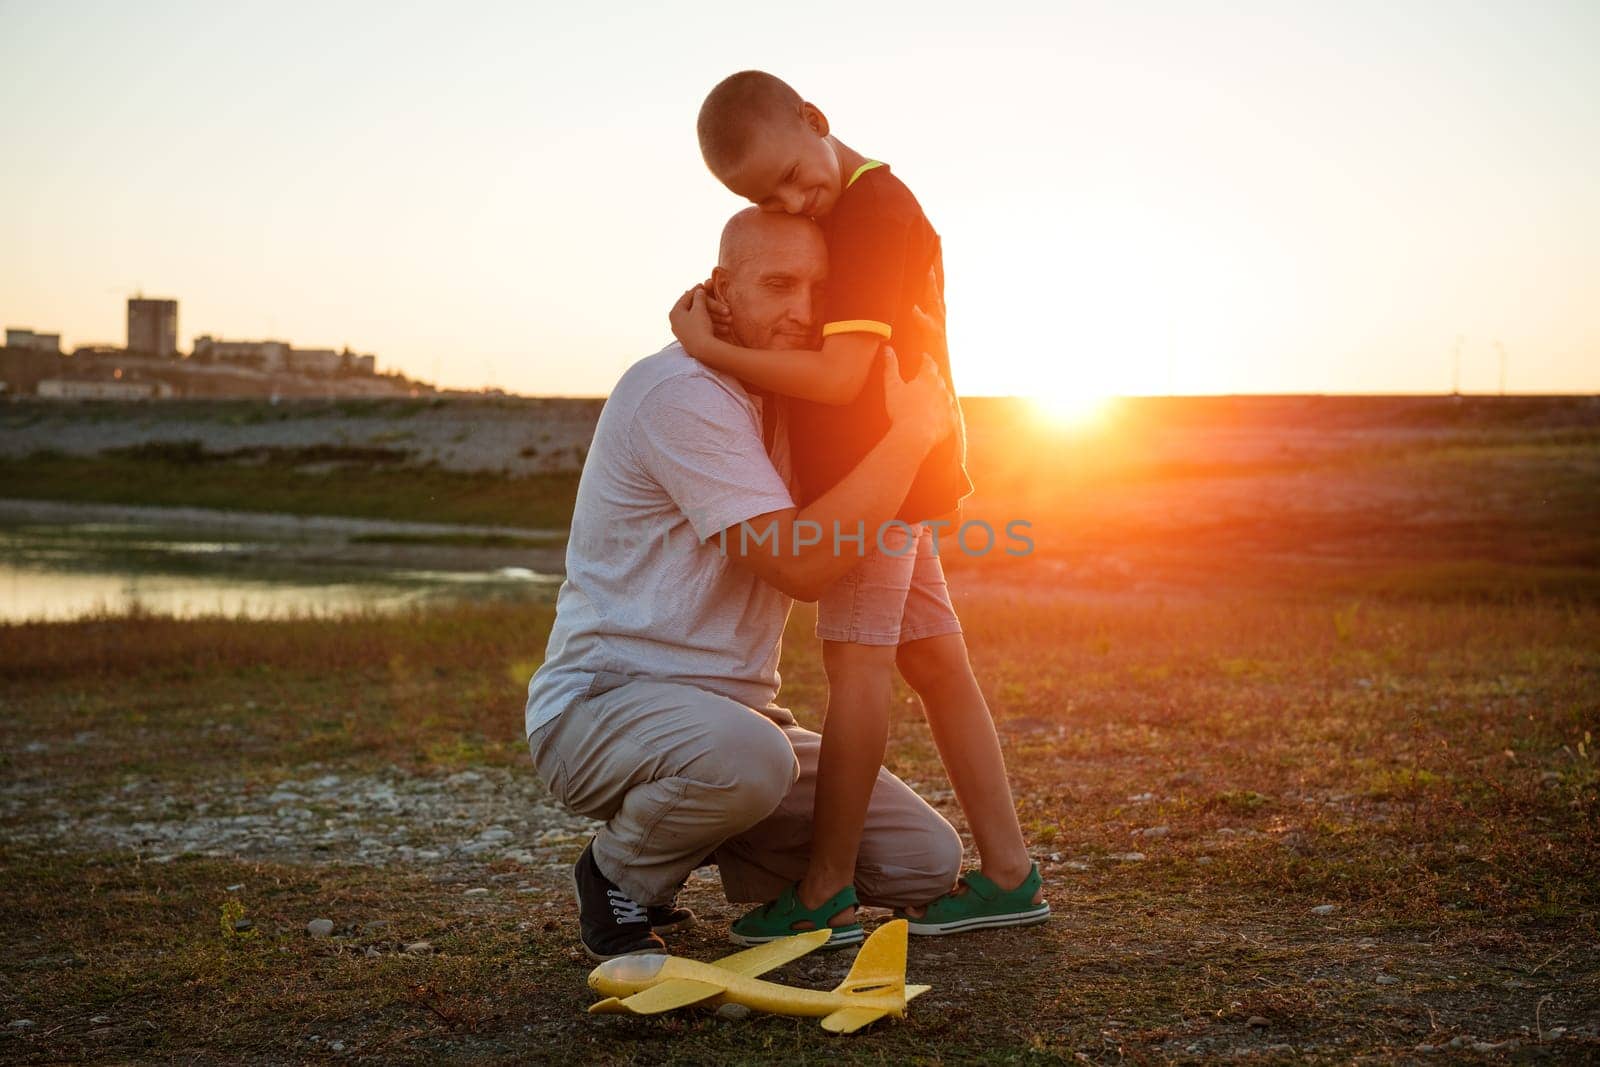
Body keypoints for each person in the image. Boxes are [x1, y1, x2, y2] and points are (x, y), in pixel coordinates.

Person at [524, 208, 964, 959]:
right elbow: (798, 564)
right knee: (750, 762)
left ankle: (698, 829)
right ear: (723, 287)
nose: (804, 309)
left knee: (925, 859)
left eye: (821, 288)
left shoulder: (796, 399)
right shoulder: (678, 391)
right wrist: (913, 435)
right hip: (601, 709)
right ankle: (619, 872)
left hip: (742, 725)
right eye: (779, 284)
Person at [669, 70, 1048, 942]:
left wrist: (708, 351)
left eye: (797, 178)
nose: (796, 201)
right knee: (937, 665)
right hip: (898, 474)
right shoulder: (845, 212)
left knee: (857, 670)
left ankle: (827, 889)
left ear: (818, 119)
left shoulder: (875, 212)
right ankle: (1010, 871)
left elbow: (843, 378)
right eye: (771, 198)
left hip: (874, 479)